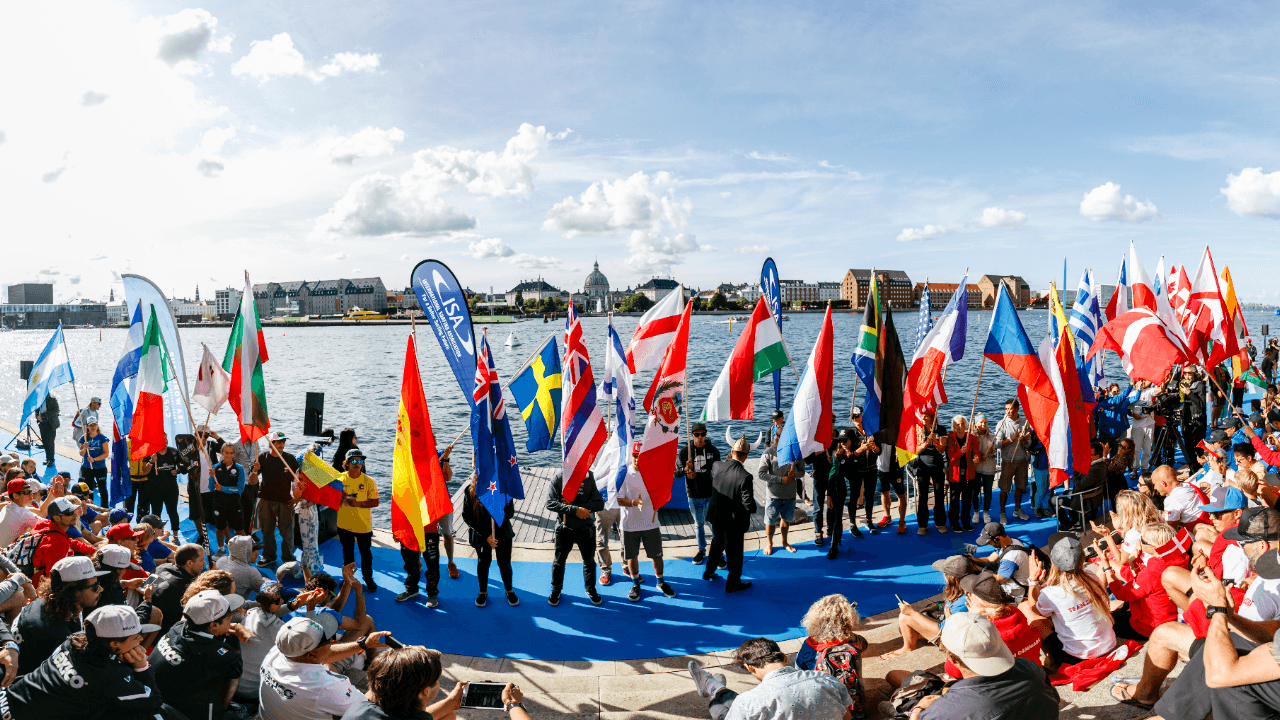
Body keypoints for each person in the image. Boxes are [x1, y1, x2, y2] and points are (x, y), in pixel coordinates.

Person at [2, 604, 165, 720]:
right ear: (114, 644)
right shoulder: (109, 677)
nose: (140, 639)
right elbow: (154, 700)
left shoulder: (73, 640)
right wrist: (141, 667)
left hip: (7, 700)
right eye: (136, 636)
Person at [898, 612, 1060, 720]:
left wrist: (918, 710)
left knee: (900, 690)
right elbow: (1054, 698)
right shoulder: (1028, 668)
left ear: (953, 660)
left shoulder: (944, 711)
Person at [259, 612, 392, 720]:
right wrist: (385, 671)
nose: (333, 641)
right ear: (312, 655)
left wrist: (362, 645)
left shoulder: (280, 650)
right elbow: (366, 707)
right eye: (329, 639)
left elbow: (323, 655)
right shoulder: (326, 686)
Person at [687, 637, 853, 720]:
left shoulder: (748, 702)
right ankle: (713, 686)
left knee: (724, 709)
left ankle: (712, 687)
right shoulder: (826, 679)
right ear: (785, 658)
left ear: (750, 668)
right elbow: (847, 716)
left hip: (745, 708)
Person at [1022, 536, 1116, 671]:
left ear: (1053, 562)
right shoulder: (1091, 576)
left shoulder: (1051, 593)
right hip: (1108, 645)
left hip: (1078, 657)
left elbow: (1034, 609)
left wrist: (1033, 580)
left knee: (1025, 608)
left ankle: (1051, 660)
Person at [152, 589, 248, 720]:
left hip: (156, 696)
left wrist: (222, 629)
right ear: (213, 625)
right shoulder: (220, 657)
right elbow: (235, 668)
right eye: (229, 616)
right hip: (183, 712)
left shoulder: (177, 627)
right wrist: (233, 639)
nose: (232, 618)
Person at [13, 556, 109, 676]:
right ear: (73, 591)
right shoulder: (53, 634)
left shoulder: (50, 602)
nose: (100, 589)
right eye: (94, 586)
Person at [1093, 522, 1186, 641]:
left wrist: (1106, 567)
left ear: (1155, 547)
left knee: (1107, 621)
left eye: (1142, 540)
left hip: (1149, 627)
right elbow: (1145, 585)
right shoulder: (1178, 558)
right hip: (1168, 615)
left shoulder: (1154, 572)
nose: (1139, 543)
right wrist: (1134, 565)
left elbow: (1120, 593)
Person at [881, 555, 972, 659]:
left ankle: (907, 648)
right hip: (951, 629)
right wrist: (935, 607)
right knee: (905, 628)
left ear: (951, 577)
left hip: (950, 641)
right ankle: (917, 635)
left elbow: (941, 631)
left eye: (944, 573)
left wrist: (913, 613)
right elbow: (947, 605)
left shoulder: (963, 602)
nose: (943, 575)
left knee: (905, 617)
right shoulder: (964, 590)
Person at [344, 645, 469, 720]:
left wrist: (401, 661)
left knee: (448, 714)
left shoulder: (359, 708)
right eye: (436, 681)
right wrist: (451, 701)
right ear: (425, 692)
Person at [397, 445, 454, 607]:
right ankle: (412, 588)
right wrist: (397, 527)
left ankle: (432, 593)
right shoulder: (404, 466)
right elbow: (399, 497)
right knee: (410, 561)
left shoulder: (433, 469)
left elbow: (446, 477)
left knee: (432, 562)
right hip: (409, 527)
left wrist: (446, 458)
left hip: (428, 526)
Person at [618, 442, 675, 601]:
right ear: (631, 457)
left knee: (657, 556)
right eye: (634, 456)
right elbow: (619, 500)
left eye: (639, 456)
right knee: (632, 557)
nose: (637, 459)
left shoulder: (653, 473)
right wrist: (634, 503)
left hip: (651, 524)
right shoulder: (624, 475)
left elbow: (663, 490)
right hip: (629, 526)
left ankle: (661, 582)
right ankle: (635, 584)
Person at [545, 465, 605, 606]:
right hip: (564, 528)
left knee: (589, 562)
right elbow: (550, 503)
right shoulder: (560, 478)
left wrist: (576, 505)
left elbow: (600, 504)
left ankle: (590, 589)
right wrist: (574, 510)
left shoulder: (589, 478)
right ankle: (556, 590)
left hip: (586, 528)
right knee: (559, 562)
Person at [706, 436, 757, 593]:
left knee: (717, 544)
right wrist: (753, 508)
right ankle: (733, 583)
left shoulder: (716, 466)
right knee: (734, 553)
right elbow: (748, 504)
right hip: (733, 522)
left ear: (731, 452)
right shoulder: (745, 476)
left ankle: (708, 572)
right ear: (746, 456)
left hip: (716, 516)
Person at [461, 470, 517, 607]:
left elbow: (510, 512)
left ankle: (509, 590)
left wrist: (497, 510)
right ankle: (482, 592)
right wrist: (486, 535)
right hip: (481, 534)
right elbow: (466, 516)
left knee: (504, 563)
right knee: (483, 563)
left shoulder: (502, 487)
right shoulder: (470, 490)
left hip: (502, 533)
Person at [28, 497, 99, 587]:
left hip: (33, 577)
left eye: (73, 511)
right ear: (57, 518)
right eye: (69, 513)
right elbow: (52, 579)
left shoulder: (47, 526)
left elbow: (71, 542)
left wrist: (94, 550)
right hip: (40, 586)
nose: (74, 515)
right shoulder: (58, 543)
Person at [676, 422, 721, 564]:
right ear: (692, 435)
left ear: (706, 434)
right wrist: (684, 469)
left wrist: (697, 475)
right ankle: (701, 550)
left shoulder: (713, 451)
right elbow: (675, 474)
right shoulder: (684, 452)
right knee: (699, 523)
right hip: (694, 495)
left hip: (710, 494)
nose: (700, 437)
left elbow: (717, 473)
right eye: (697, 435)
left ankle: (717, 553)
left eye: (702, 434)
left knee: (714, 524)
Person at [337, 450, 380, 592]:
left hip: (363, 526)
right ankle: (348, 579)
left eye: (360, 461)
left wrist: (358, 504)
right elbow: (331, 500)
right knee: (347, 554)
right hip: (344, 525)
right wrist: (340, 497)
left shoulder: (369, 481)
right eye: (354, 461)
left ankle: (368, 579)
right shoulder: (338, 480)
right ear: (347, 463)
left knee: (365, 554)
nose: (357, 464)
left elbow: (375, 502)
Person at [259, 430, 301, 568]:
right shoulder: (262, 458)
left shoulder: (290, 459)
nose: (282, 444)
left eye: (283, 442)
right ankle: (269, 556)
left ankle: (288, 557)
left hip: (285, 500)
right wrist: (254, 472)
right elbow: (253, 480)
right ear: (271, 444)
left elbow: (298, 481)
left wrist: (297, 499)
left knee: (287, 532)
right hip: (265, 499)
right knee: (267, 530)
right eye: (278, 442)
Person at [759, 427, 799, 555]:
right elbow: (761, 474)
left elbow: (802, 471)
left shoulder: (796, 453)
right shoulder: (769, 452)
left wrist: (796, 473)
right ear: (776, 437)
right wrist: (780, 479)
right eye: (780, 436)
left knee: (786, 520)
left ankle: (785, 542)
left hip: (790, 495)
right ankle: (769, 543)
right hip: (773, 495)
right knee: (770, 521)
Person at [151, 543, 206, 635]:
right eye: (201, 560)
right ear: (189, 563)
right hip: (168, 633)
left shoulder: (161, 567)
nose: (204, 563)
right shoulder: (189, 587)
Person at [993, 398, 1033, 522]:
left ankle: (1017, 509)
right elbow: (997, 444)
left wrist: (1024, 441)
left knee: (1020, 487)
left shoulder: (1024, 423)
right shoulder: (1002, 423)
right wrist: (1012, 439)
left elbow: (1029, 443)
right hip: (1007, 461)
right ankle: (1002, 513)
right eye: (1006, 409)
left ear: (1017, 409)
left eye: (1009, 409)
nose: (1007, 412)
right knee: (1004, 488)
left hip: (1022, 460)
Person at [971, 522, 1031, 600]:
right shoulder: (1011, 541)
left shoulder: (1011, 558)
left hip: (1013, 592)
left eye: (989, 541)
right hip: (1008, 576)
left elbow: (998, 580)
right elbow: (990, 559)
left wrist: (979, 569)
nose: (988, 544)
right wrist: (973, 559)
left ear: (997, 538)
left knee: (979, 587)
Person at [911, 418, 947, 536]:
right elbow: (915, 450)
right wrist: (927, 442)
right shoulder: (917, 431)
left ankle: (940, 522)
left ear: (933, 416)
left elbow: (941, 450)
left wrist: (935, 441)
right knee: (922, 496)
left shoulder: (940, 429)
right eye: (923, 415)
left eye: (927, 416)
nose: (924, 418)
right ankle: (922, 524)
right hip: (922, 467)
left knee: (939, 494)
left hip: (937, 466)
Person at [1152, 463, 1210, 531]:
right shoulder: (1188, 485)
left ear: (1163, 483)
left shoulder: (1171, 500)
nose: (1155, 488)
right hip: (1209, 522)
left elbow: (1171, 529)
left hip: (1198, 533)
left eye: (1155, 484)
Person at [212, 442, 247, 553]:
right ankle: (221, 548)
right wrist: (211, 478)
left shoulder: (239, 468)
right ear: (222, 452)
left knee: (239, 528)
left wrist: (223, 488)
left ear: (234, 454)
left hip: (234, 503)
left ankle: (243, 550)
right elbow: (210, 487)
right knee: (220, 527)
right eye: (226, 453)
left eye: (231, 453)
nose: (229, 455)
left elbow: (240, 489)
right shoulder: (215, 468)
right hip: (219, 502)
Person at [808, 421, 838, 547]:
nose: (830, 424)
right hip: (819, 476)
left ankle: (830, 529)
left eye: (832, 422)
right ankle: (818, 531)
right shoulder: (816, 439)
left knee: (831, 505)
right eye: (828, 421)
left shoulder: (836, 438)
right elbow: (807, 460)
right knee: (818, 506)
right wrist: (818, 452)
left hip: (833, 477)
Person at [947, 416, 977, 532]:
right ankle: (954, 523)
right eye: (957, 424)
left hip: (968, 473)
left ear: (966, 425)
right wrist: (961, 452)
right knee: (954, 500)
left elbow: (976, 452)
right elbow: (951, 457)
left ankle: (966, 521)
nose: (960, 427)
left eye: (963, 424)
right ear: (954, 426)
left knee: (966, 499)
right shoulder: (950, 439)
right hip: (955, 474)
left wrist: (977, 457)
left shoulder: (971, 438)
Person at [0, 478, 48, 548]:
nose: (31, 495)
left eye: (31, 491)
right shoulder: (23, 514)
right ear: (15, 495)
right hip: (7, 556)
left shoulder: (8, 507)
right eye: (27, 492)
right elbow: (48, 525)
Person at [217, 534, 267, 599]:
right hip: (235, 607)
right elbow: (268, 592)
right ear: (245, 552)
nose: (258, 553)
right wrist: (267, 582)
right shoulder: (250, 572)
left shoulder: (220, 561)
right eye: (253, 550)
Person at [147, 444, 182, 537]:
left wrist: (177, 471)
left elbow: (182, 467)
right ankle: (156, 536)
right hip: (155, 489)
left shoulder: (173, 452)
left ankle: (175, 535)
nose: (163, 440)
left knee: (172, 511)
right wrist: (151, 461)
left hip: (171, 488)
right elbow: (144, 471)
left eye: (165, 438)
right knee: (156, 513)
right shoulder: (151, 452)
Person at [971, 414, 997, 528]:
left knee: (988, 491)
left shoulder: (991, 436)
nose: (983, 425)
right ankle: (976, 512)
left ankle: (986, 512)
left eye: (985, 422)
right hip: (976, 468)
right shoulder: (971, 436)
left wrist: (991, 451)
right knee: (975, 491)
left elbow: (994, 452)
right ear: (976, 424)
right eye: (981, 422)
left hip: (988, 466)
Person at [77, 415, 110, 507]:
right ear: (87, 427)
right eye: (91, 425)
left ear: (97, 426)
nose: (93, 427)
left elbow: (106, 453)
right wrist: (84, 449)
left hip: (100, 468)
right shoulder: (84, 438)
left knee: (102, 489)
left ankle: (105, 509)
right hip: (87, 468)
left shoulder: (103, 438)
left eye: (95, 425)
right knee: (88, 490)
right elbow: (81, 453)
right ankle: (90, 508)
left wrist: (94, 459)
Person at [1181, 366, 1209, 472]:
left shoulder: (1200, 385)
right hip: (1188, 421)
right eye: (1186, 374)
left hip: (1198, 422)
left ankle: (1198, 470)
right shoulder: (1185, 385)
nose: (1187, 376)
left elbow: (1201, 405)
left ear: (1194, 374)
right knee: (1188, 448)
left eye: (1190, 374)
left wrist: (1190, 393)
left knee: (1197, 449)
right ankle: (1192, 469)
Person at [233, 437, 261, 537]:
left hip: (253, 479)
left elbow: (258, 457)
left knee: (254, 507)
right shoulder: (236, 444)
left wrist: (257, 468)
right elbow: (226, 460)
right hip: (242, 481)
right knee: (245, 508)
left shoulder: (256, 442)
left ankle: (251, 532)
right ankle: (245, 533)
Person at [35, 394, 59, 468]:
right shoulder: (38, 399)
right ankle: (47, 457)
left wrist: (43, 415)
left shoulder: (52, 399)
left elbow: (56, 411)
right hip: (42, 423)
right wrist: (38, 417)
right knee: (44, 441)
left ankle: (51, 459)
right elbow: (37, 410)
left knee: (50, 442)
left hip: (51, 423)